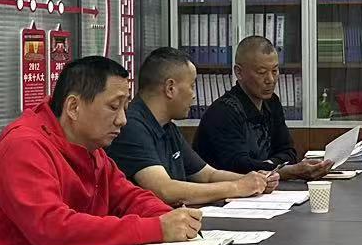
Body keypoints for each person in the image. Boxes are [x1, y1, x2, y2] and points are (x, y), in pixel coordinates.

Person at [0, 55, 203, 245]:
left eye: (125, 108)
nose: (122, 120)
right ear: (73, 107)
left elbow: (129, 197)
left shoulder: (91, 148)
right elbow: (52, 229)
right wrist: (156, 228)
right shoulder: (24, 146)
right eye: (114, 107)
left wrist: (171, 217)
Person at [110, 47, 280, 206]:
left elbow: (207, 175)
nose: (194, 96)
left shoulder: (167, 126)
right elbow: (164, 190)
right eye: (192, 86)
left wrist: (255, 181)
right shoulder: (131, 126)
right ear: (170, 88)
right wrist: (237, 187)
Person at [195, 35, 332, 180]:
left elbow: (289, 153)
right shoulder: (223, 113)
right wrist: (284, 170)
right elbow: (239, 167)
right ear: (239, 72)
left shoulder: (272, 102)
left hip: (266, 186)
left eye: (275, 71)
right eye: (261, 72)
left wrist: (268, 166)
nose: (270, 80)